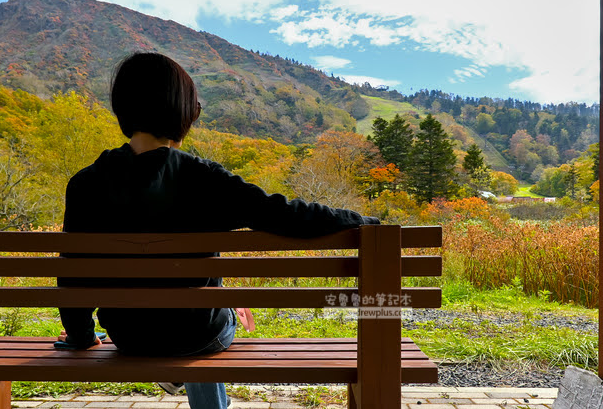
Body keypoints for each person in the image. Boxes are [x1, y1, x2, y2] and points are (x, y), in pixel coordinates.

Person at [56, 52, 379, 409]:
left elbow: (73, 274)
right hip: (198, 334)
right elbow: (284, 214)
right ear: (182, 111)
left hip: (130, 335)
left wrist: (82, 337)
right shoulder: (203, 178)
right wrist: (361, 221)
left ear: (123, 107)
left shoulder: (86, 184)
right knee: (210, 308)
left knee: (206, 299)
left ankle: (192, 344)